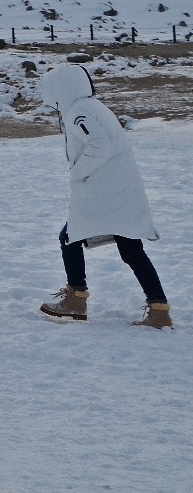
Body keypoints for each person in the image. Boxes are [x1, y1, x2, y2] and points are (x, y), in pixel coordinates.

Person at [36, 63, 172, 328]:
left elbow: (98, 144)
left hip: (104, 192)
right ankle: (159, 309)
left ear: (61, 89)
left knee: (69, 237)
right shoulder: (90, 106)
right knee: (131, 250)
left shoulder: (79, 111)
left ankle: (76, 298)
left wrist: (77, 173)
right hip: (118, 191)